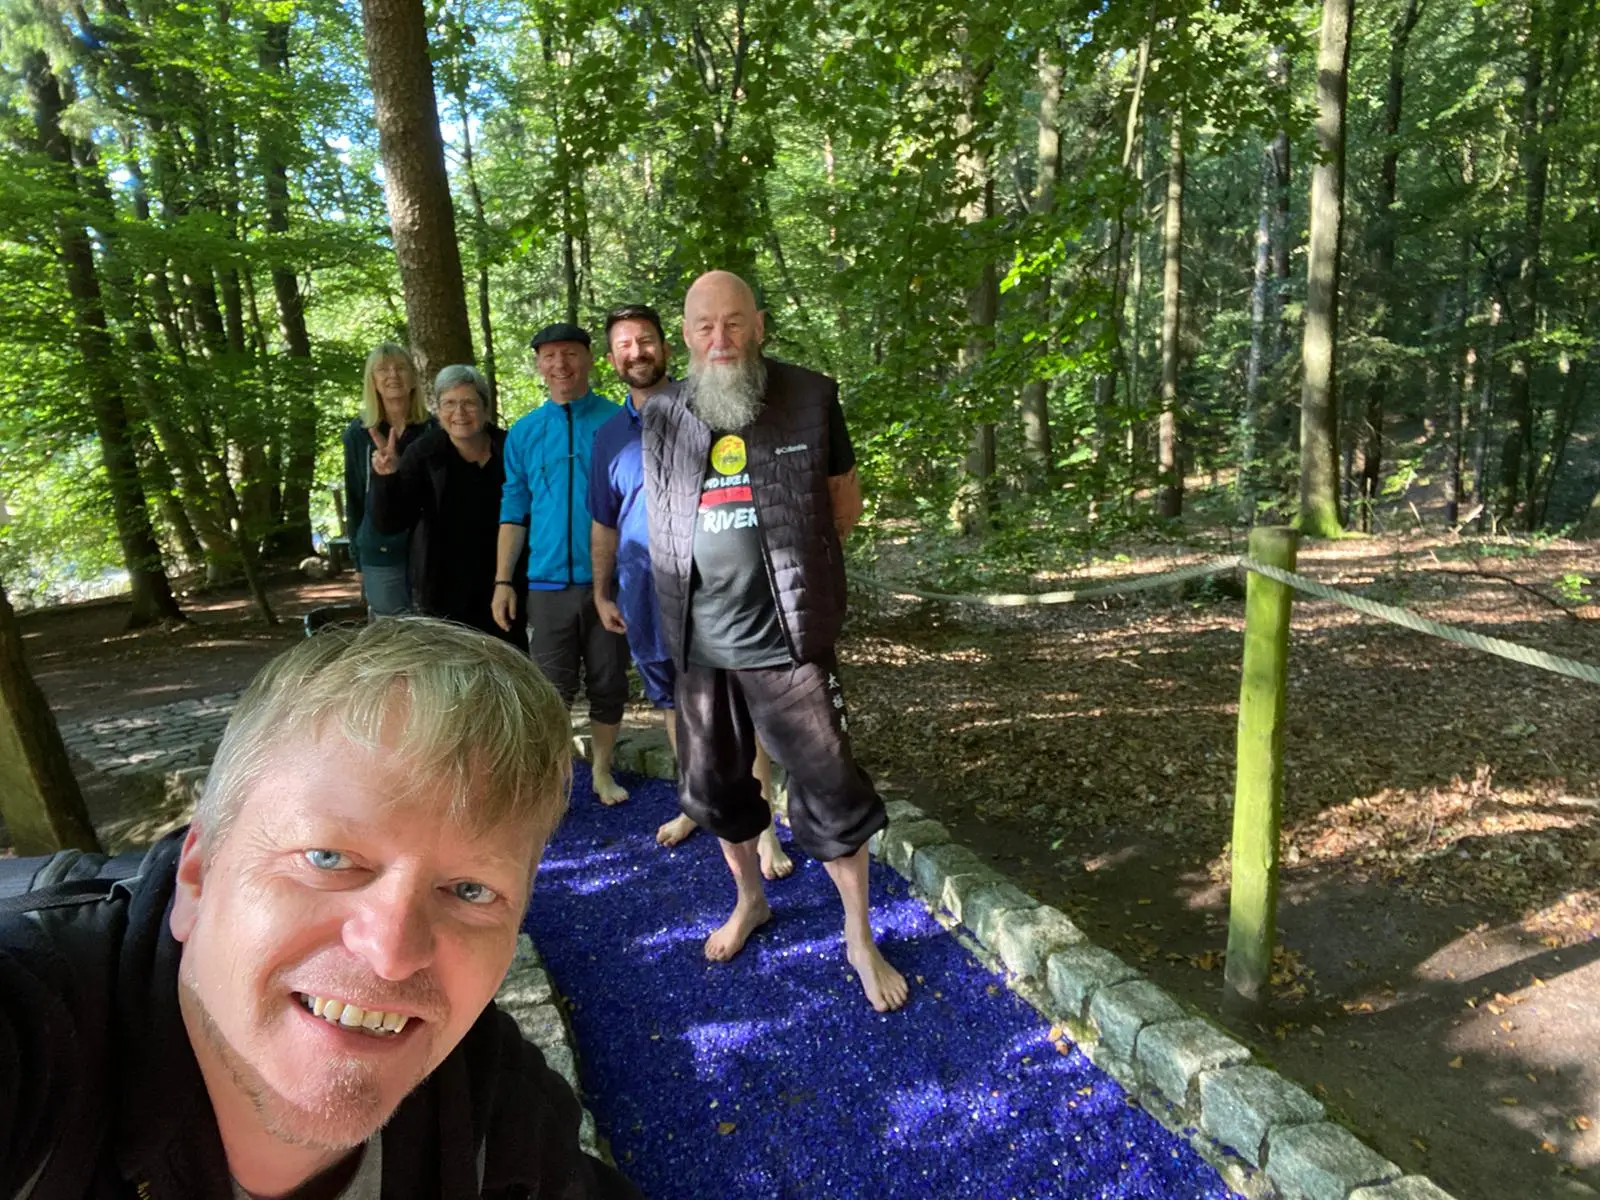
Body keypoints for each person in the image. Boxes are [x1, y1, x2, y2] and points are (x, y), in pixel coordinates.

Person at [0, 618, 641, 1199]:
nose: (391, 954)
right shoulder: (37, 1030)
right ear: (197, 875)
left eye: (471, 891)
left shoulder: (496, 1111)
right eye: (329, 859)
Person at [641, 270, 908, 1013]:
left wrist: (799, 581)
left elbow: (841, 507)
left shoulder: (810, 397)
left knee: (832, 792)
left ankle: (859, 936)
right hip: (701, 647)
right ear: (685, 335)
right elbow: (662, 517)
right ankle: (750, 901)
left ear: (758, 324)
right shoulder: (663, 412)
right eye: (703, 327)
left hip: (787, 642)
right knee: (718, 793)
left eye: (733, 323)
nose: (719, 340)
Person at [588, 304, 792, 879]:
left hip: (712, 594)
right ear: (612, 358)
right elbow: (603, 521)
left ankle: (766, 830)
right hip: (643, 595)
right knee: (674, 708)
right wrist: (602, 591)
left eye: (645, 340)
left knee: (738, 710)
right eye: (624, 344)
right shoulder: (607, 437)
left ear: (666, 346)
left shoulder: (708, 410)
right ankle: (695, 804)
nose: (636, 352)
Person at [493, 324, 631, 807]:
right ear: (538, 365)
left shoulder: (618, 422)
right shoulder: (525, 434)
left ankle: (601, 770)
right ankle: (554, 780)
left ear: (590, 360)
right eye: (549, 356)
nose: (561, 365)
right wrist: (503, 580)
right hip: (546, 583)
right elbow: (514, 509)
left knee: (609, 682)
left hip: (609, 583)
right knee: (551, 690)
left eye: (570, 354)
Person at [368, 364, 526, 646]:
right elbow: (390, 522)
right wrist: (385, 479)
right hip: (444, 588)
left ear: (486, 407)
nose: (459, 413)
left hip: (505, 583)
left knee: (508, 667)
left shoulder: (510, 448)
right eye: (449, 404)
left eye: (468, 403)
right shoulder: (424, 453)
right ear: (438, 411)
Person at [342, 344, 432, 614]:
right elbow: (355, 497)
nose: (392, 375)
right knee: (391, 638)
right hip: (379, 552)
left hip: (429, 550)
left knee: (436, 634)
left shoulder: (434, 430)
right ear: (372, 381)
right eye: (383, 369)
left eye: (400, 368)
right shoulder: (358, 434)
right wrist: (357, 561)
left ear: (414, 378)